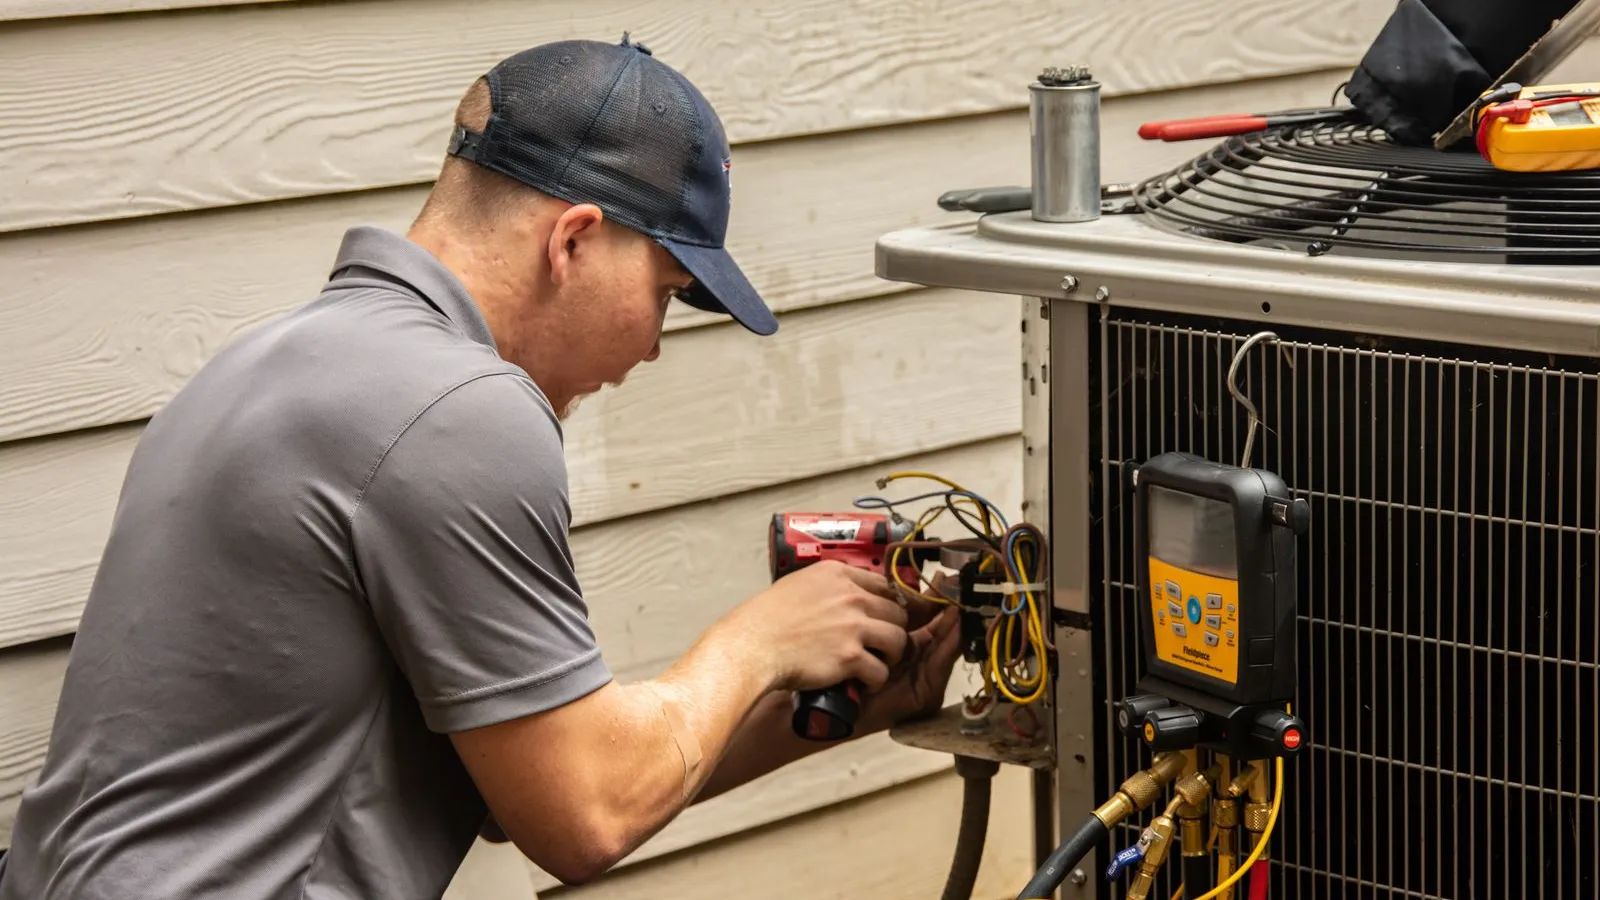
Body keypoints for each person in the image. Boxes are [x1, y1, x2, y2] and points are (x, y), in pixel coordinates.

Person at [0, 34, 963, 900]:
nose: (652, 349)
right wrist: (759, 643)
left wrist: (833, 713)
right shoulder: (459, 409)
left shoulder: (276, 362)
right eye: (667, 295)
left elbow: (525, 792)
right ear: (575, 239)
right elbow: (585, 820)